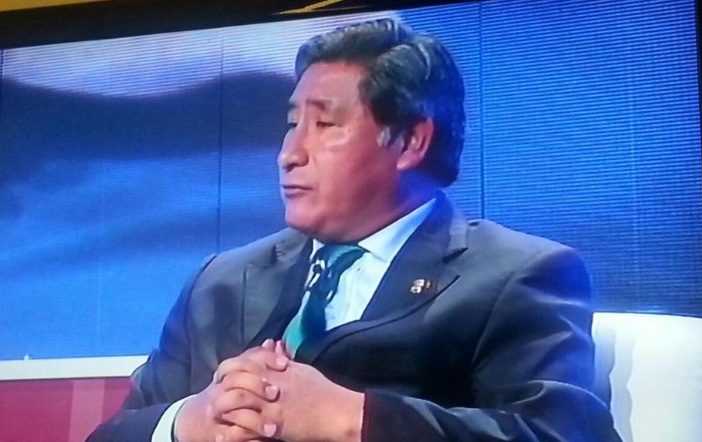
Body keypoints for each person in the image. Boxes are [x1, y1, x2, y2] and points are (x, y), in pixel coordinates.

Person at [88, 18, 620, 442]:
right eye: (291, 124)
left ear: (409, 141)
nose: (289, 154)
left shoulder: (516, 276)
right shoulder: (220, 282)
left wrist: (354, 418)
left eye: (325, 124)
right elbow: (114, 432)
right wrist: (189, 421)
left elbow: (559, 434)